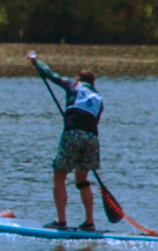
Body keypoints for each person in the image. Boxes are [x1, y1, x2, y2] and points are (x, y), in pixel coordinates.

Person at [27, 51, 103, 232]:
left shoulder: (74, 85)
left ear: (79, 79)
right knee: (82, 180)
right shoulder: (99, 99)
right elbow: (94, 122)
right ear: (93, 83)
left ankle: (61, 221)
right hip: (92, 139)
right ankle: (89, 222)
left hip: (73, 134)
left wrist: (36, 62)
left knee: (59, 175)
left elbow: (52, 75)